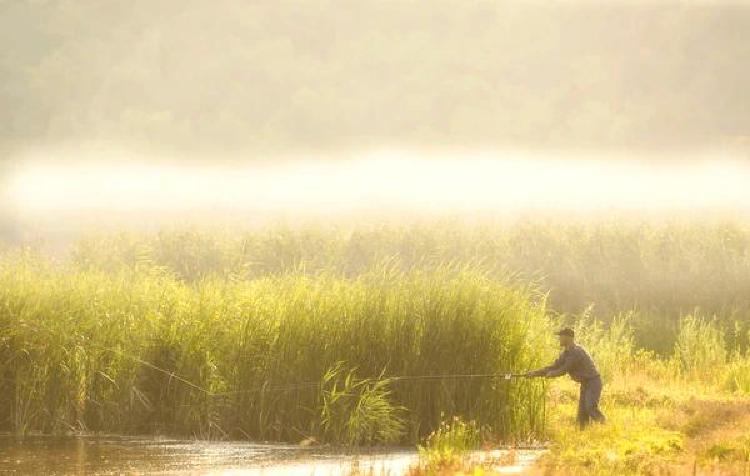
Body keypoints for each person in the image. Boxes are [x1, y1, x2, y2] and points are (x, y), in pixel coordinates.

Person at [525, 327, 606, 428]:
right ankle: (584, 435)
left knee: (590, 407)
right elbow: (554, 366)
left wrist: (552, 374)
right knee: (582, 415)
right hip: (585, 383)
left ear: (568, 338)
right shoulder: (566, 353)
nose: (559, 339)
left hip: (593, 382)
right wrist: (535, 373)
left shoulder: (577, 352)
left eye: (561, 336)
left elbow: (564, 369)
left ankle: (606, 427)